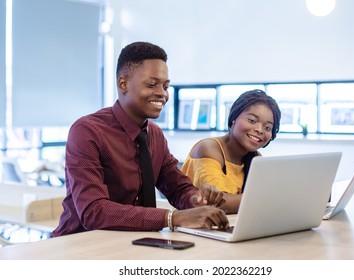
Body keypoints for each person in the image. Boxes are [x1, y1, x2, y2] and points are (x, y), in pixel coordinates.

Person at [52, 42, 228, 237]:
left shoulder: (155, 135)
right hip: (80, 245)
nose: (162, 93)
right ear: (123, 84)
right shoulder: (87, 132)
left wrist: (197, 199)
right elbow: (93, 211)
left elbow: (177, 187)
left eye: (165, 86)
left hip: (135, 242)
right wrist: (171, 218)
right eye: (152, 84)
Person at [182, 89, 281, 214]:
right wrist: (264, 198)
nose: (259, 130)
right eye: (252, 120)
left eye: (267, 127)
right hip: (195, 228)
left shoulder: (256, 159)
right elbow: (216, 203)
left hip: (230, 226)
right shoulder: (208, 148)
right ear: (234, 118)